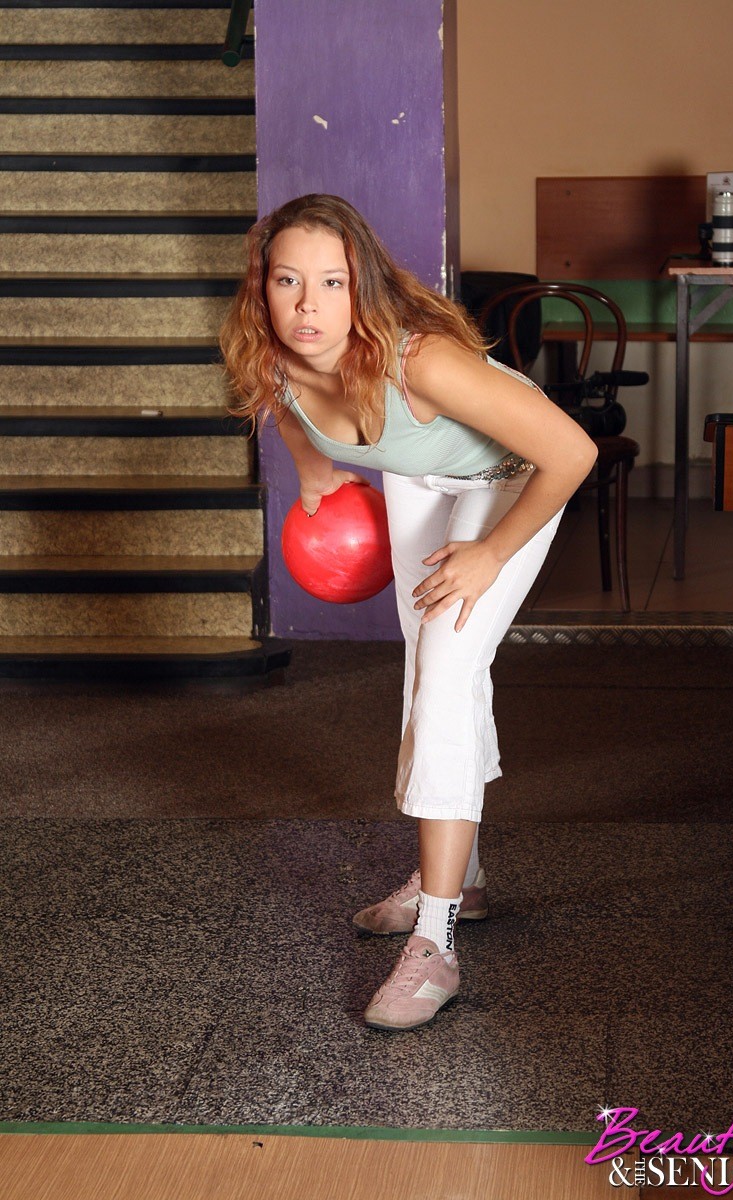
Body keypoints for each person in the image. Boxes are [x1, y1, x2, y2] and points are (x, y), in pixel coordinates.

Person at [221, 194, 597, 1032]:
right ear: (263, 289)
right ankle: (461, 876)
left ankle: (435, 941)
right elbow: (286, 410)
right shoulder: (274, 357)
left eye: (331, 282)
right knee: (431, 673)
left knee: (447, 672)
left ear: (365, 291)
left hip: (509, 489)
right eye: (288, 281)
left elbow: (572, 451)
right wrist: (318, 487)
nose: (308, 305)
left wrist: (490, 553)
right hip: (418, 484)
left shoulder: (417, 362)